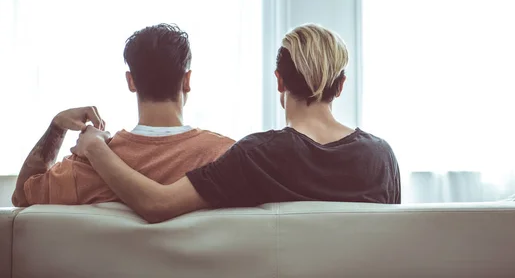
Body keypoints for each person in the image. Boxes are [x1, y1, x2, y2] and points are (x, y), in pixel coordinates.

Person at [71, 24, 400, 223]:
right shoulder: (381, 157)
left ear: (279, 81)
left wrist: (96, 148)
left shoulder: (260, 154)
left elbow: (157, 205)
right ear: (341, 86)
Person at [12, 24, 234, 207]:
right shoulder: (223, 155)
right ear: (187, 80)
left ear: (131, 81)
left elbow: (21, 197)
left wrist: (57, 127)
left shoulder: (86, 166)